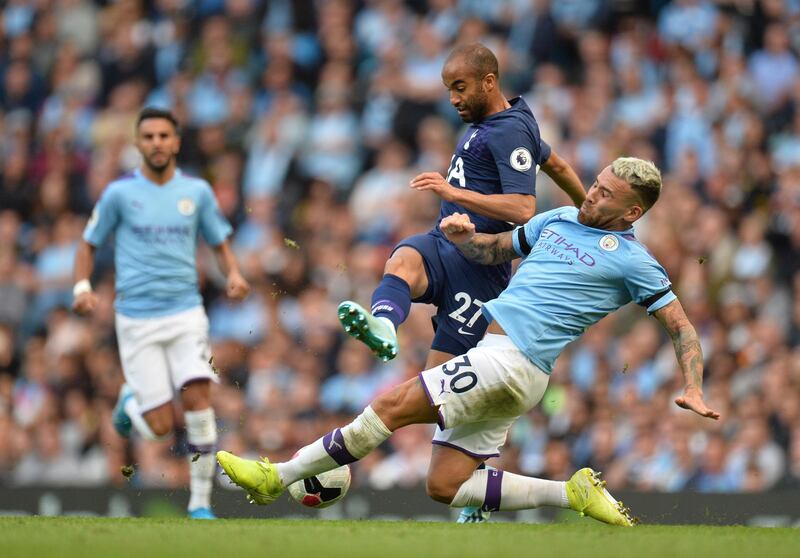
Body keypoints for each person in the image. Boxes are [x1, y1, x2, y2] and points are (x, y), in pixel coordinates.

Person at [217, 157, 720, 525]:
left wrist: (693, 386)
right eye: (595, 184)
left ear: (632, 214)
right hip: (505, 364)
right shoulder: (557, 220)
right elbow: (494, 250)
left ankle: (275, 478)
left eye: (607, 195)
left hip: (512, 361)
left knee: (390, 405)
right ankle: (572, 493)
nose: (590, 194)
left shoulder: (633, 260)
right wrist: (461, 237)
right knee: (445, 486)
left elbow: (681, 326)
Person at [338, 43, 586, 522]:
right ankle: (385, 327)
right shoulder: (511, 121)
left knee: (440, 401)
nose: (453, 98)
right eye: (449, 88)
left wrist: (452, 191)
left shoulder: (508, 129)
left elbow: (523, 209)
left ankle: (475, 490)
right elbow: (554, 163)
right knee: (403, 260)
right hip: (446, 243)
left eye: (460, 87)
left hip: (482, 272)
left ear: (489, 81)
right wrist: (590, 213)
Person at [72, 107, 250, 519]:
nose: (156, 143)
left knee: (199, 398)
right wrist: (82, 287)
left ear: (176, 142)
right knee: (159, 427)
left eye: (163, 136)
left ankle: (201, 503)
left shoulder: (197, 192)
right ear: (138, 144)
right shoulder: (119, 194)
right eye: (148, 136)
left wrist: (235, 275)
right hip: (136, 319)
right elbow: (88, 243)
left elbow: (219, 242)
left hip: (187, 312)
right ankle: (131, 401)